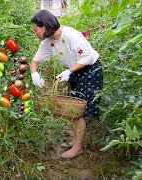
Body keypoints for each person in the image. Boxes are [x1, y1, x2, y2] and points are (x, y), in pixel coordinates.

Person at [30, 10, 103, 159]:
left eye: (36, 29)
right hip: (74, 71)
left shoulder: (71, 35)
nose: (35, 33)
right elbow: (34, 61)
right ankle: (76, 140)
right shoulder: (48, 42)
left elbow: (88, 57)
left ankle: (77, 148)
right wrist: (34, 73)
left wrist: (69, 71)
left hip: (90, 70)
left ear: (44, 26)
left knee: (79, 111)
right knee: (73, 110)